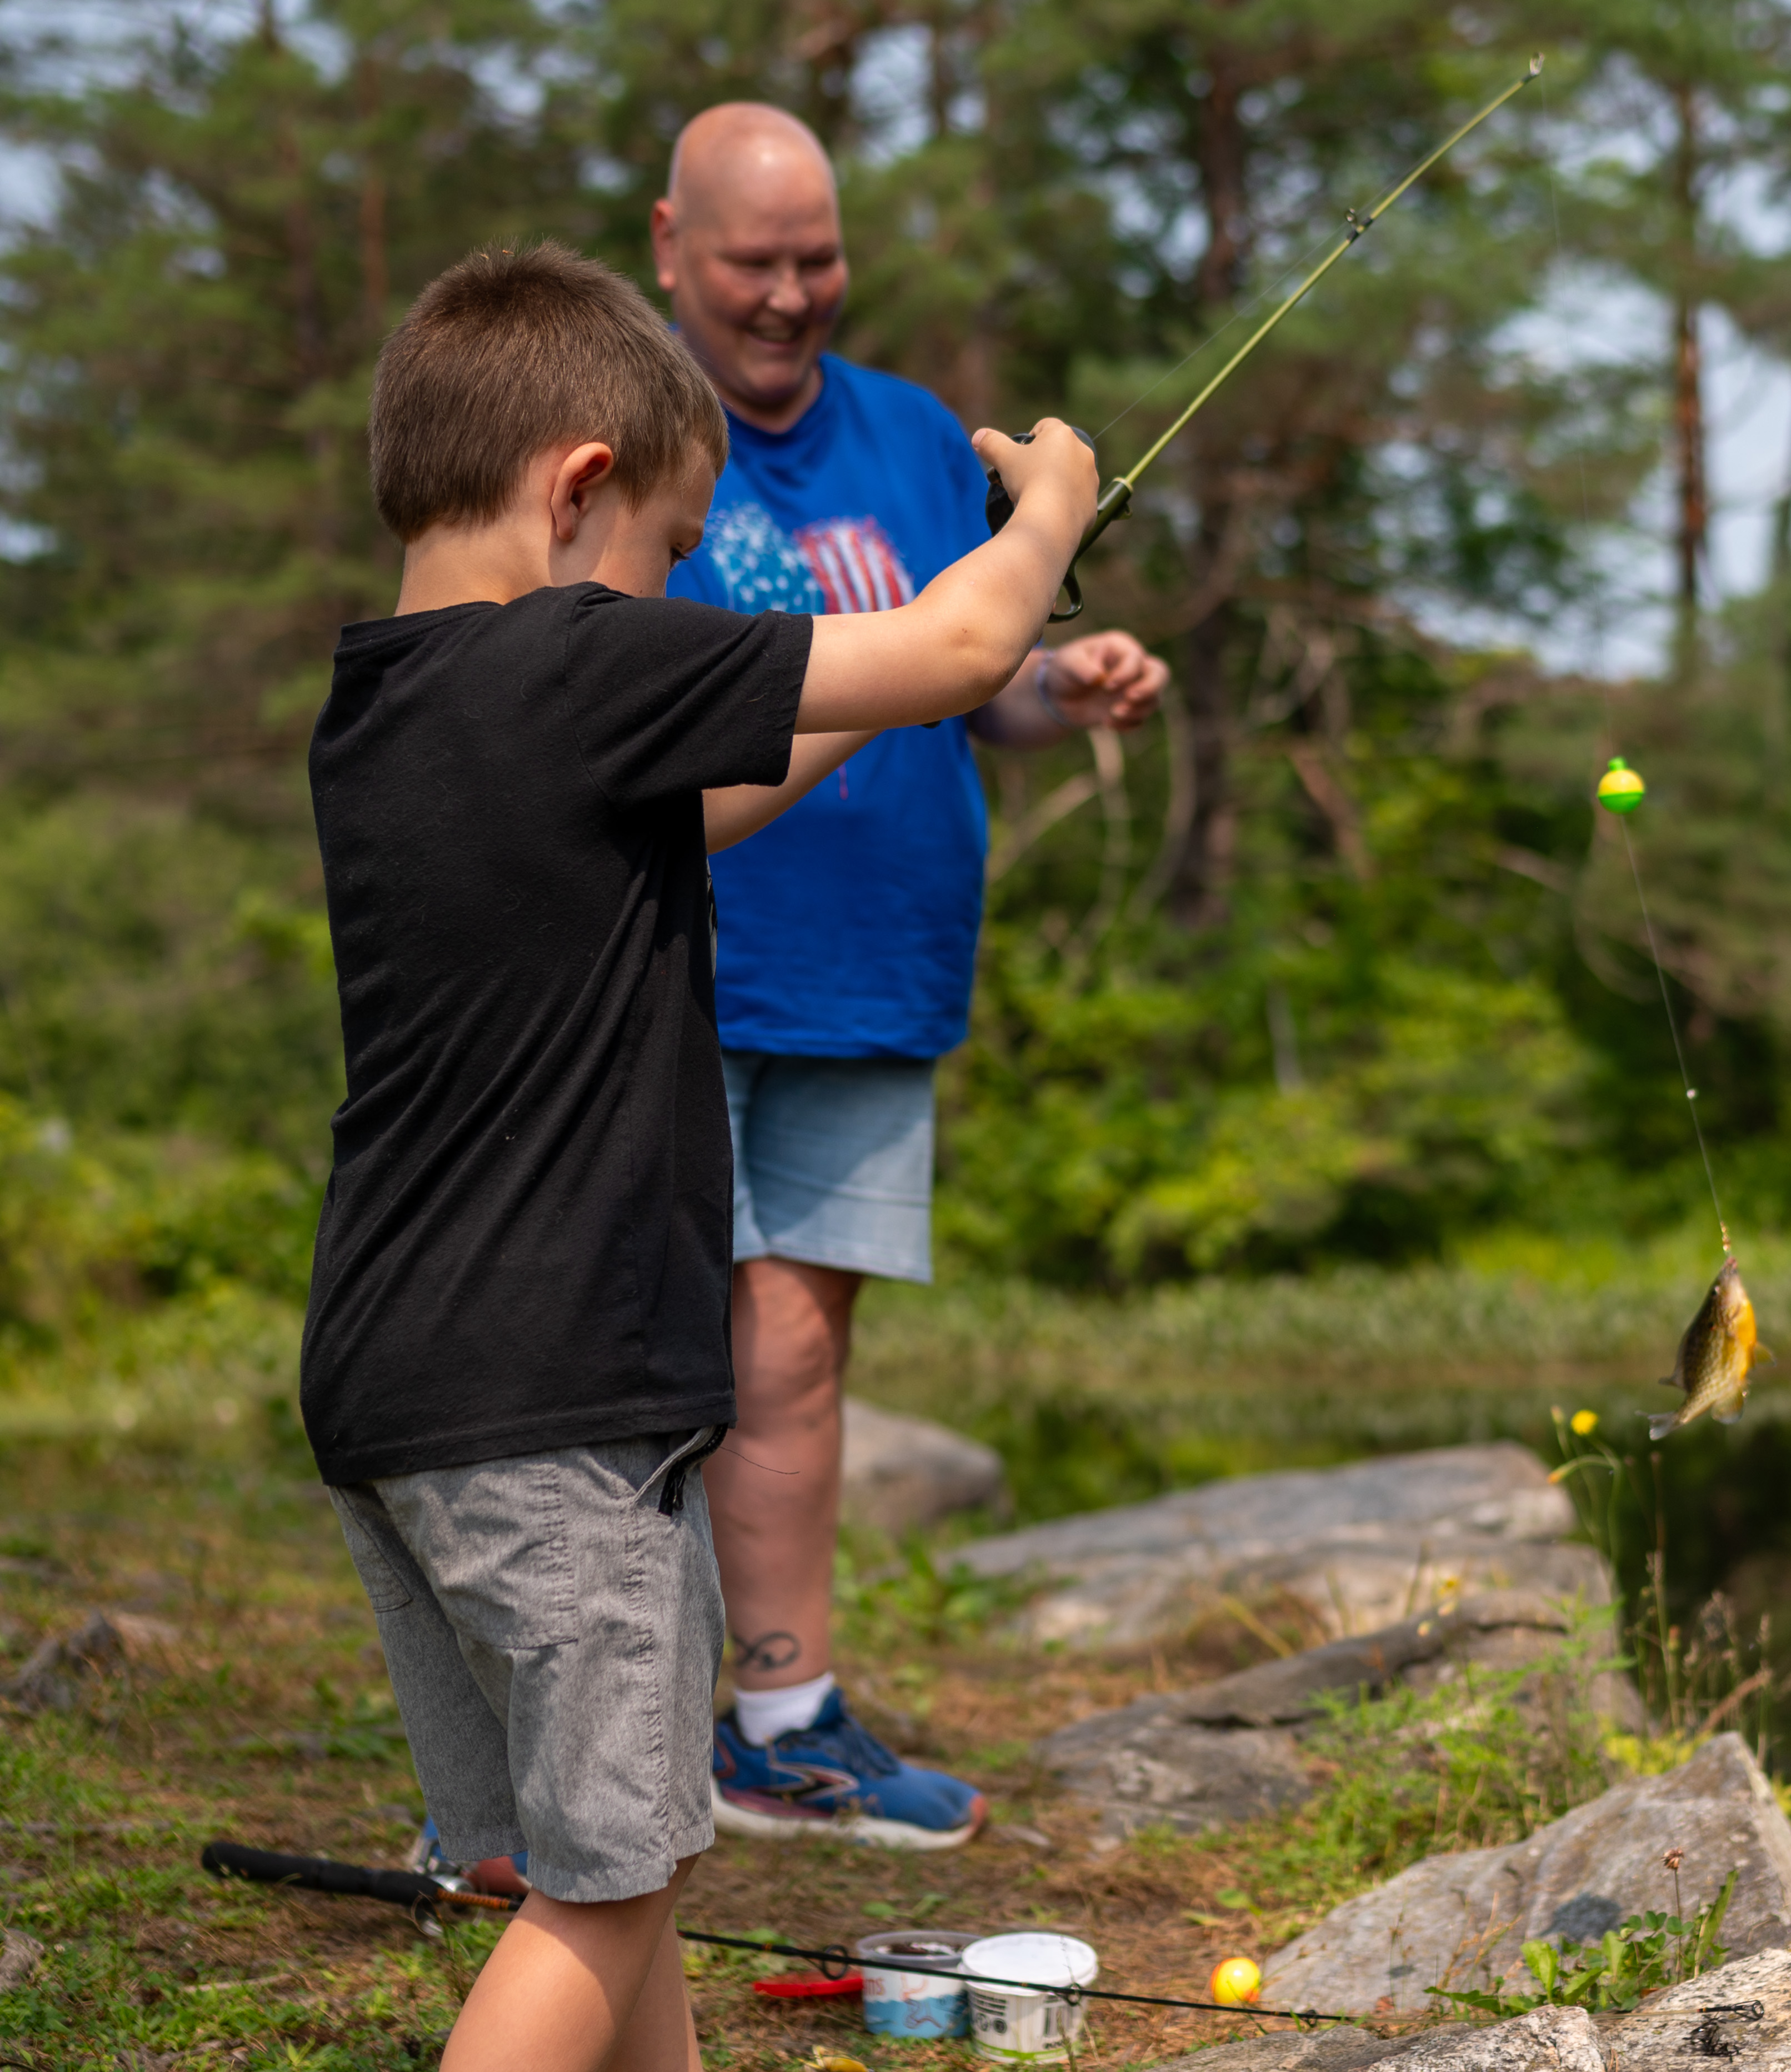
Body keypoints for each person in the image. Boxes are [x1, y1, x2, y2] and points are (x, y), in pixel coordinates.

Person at [306, 240, 1097, 2071]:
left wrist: (868, 701)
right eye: (669, 547)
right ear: (581, 489)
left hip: (395, 1378)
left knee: (616, 1854)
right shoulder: (578, 661)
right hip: (555, 1393)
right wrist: (1047, 510)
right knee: (602, 1887)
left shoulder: (393, 706)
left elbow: (720, 792)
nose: (671, 588)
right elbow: (972, 645)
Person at [651, 102, 1169, 1850]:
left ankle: (782, 1722)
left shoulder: (913, 434)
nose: (791, 295)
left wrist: (1058, 682)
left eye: (818, 258)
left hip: (881, 975)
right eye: (752, 262)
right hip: (676, 969)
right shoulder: (625, 441)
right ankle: (600, 1727)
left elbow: (967, 672)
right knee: (644, 1348)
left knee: (798, 1353)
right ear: (670, 247)